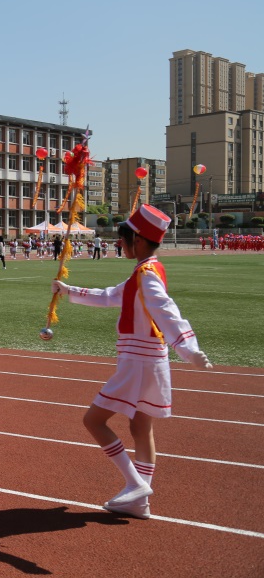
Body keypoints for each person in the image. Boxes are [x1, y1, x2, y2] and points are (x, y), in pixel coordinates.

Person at [52, 205, 213, 519]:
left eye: (123, 238)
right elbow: (110, 295)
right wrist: (69, 290)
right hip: (152, 360)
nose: (119, 243)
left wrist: (189, 348)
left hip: (137, 361)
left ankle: (135, 483)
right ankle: (140, 501)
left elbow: (167, 311)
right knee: (140, 427)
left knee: (94, 421)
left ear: (137, 240)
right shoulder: (145, 271)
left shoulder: (146, 275)